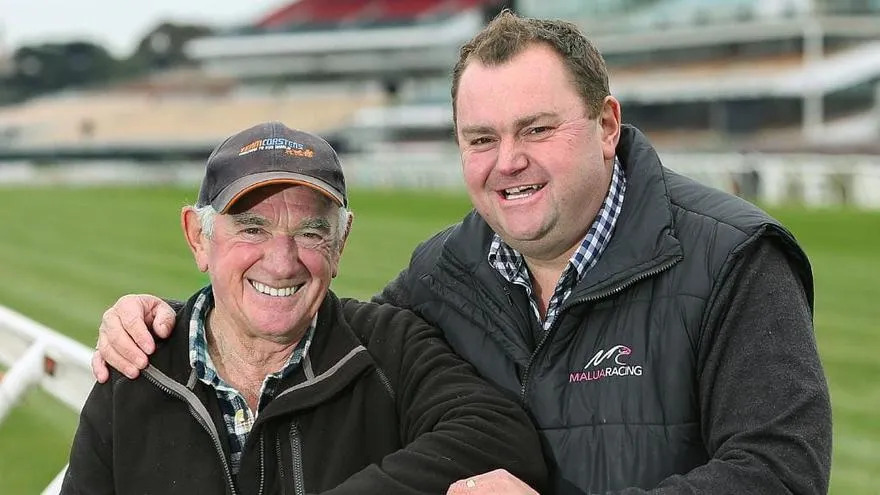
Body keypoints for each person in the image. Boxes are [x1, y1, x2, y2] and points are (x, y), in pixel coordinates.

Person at [92, 11, 832, 495]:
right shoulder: (442, 273)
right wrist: (154, 320)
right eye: (482, 139)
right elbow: (311, 334)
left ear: (607, 124)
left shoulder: (734, 258)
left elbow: (781, 473)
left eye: (536, 129)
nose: (507, 160)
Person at [64, 121, 548, 494]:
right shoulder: (138, 371)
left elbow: (501, 437)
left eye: (311, 233)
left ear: (341, 243)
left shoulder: (387, 346)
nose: (282, 262)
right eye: (252, 229)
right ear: (198, 237)